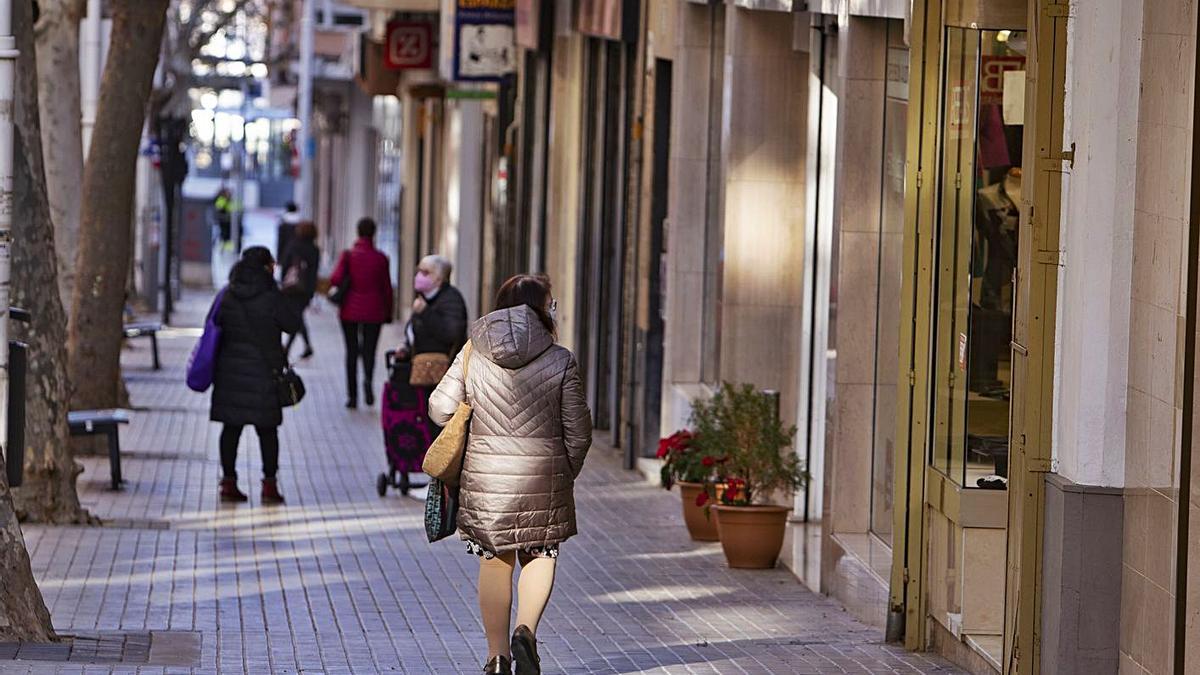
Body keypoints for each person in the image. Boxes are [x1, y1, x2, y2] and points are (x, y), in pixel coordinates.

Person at [429, 275, 592, 675]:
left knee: (494, 561)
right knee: (540, 554)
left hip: (487, 480)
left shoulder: (473, 352)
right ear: (541, 308)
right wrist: (564, 470)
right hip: (543, 475)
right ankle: (526, 632)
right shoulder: (561, 359)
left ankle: (497, 657)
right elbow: (579, 431)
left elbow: (439, 409)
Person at [209, 246, 301, 505]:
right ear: (267, 266)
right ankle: (269, 486)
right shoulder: (272, 296)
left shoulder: (228, 294)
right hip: (265, 370)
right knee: (267, 431)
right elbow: (291, 324)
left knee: (231, 428)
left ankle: (228, 482)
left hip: (230, 372)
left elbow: (214, 326)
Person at [330, 217, 394, 409]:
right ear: (373, 233)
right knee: (369, 351)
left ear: (358, 232)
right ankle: (367, 380)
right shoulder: (381, 258)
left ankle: (352, 396)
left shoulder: (348, 255)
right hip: (374, 311)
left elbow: (335, 279)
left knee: (351, 352)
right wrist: (388, 312)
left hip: (349, 311)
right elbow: (387, 288)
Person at [280, 221, 320, 359]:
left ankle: (288, 349)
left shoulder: (293, 246)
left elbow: (285, 266)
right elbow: (314, 272)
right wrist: (312, 291)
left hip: (291, 289)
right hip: (305, 290)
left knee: (297, 318)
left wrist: (282, 283)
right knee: (298, 317)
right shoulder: (314, 250)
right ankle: (305, 346)